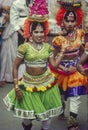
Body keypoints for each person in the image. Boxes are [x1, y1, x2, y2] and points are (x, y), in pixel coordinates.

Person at [3, 1, 68, 130]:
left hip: (46, 84)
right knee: (27, 120)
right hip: (28, 85)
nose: (39, 35)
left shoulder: (48, 48)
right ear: (30, 33)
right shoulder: (24, 48)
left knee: (46, 119)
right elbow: (15, 67)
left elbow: (54, 65)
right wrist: (16, 86)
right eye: (36, 32)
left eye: (41, 32)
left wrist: (62, 52)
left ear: (45, 32)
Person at [49, 1, 88, 130]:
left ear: (77, 21)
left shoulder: (80, 34)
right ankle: (61, 110)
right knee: (61, 95)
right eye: (67, 21)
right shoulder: (58, 40)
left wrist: (80, 63)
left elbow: (81, 50)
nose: (70, 24)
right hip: (61, 71)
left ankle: (72, 122)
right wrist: (64, 68)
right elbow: (52, 60)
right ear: (62, 21)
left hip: (75, 71)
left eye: (72, 21)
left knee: (75, 96)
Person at [0, 0, 18, 87]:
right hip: (3, 21)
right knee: (3, 52)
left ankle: (11, 76)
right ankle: (2, 76)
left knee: (13, 50)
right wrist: (3, 7)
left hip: (14, 23)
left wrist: (12, 13)